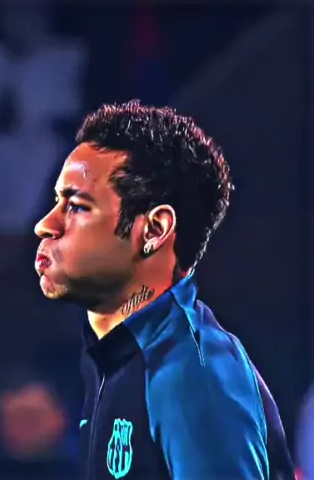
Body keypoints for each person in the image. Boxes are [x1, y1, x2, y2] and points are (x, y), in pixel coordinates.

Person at [33, 100, 295, 479]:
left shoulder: (193, 377)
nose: (46, 224)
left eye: (77, 207)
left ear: (154, 230)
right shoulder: (116, 354)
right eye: (57, 202)